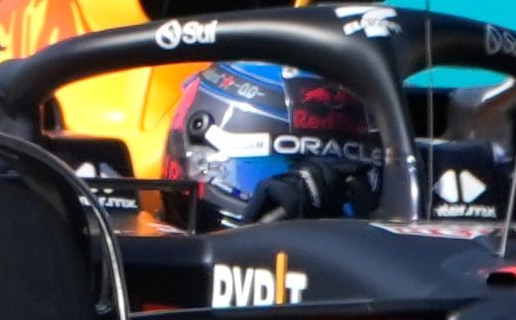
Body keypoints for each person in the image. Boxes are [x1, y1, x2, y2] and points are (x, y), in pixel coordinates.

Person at [156, 60, 384, 230]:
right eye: (282, 173)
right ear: (201, 160)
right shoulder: (135, 261)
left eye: (341, 178)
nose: (316, 202)